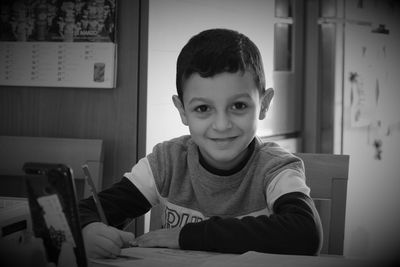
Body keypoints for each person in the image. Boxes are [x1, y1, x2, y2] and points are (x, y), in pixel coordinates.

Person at [79, 28, 323, 259]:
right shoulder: (166, 162)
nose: (221, 125)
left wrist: (187, 236)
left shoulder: (275, 168)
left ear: (265, 104)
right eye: (203, 108)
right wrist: (88, 230)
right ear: (182, 110)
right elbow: (84, 212)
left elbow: (305, 232)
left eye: (238, 106)